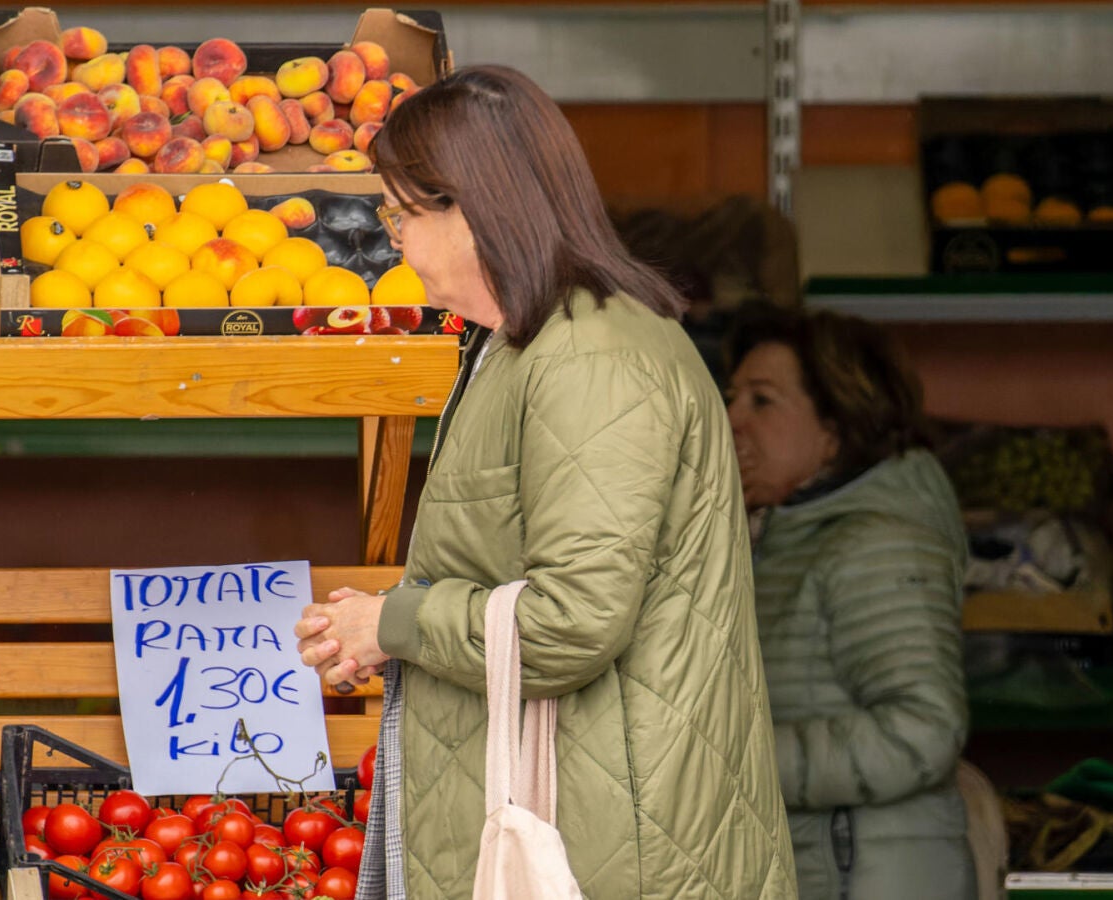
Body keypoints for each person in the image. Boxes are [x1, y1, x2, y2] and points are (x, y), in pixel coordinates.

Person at [294, 65, 797, 900]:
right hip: (593, 825)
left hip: (615, 848)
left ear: (473, 207)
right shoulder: (527, 344)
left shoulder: (590, 359)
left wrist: (399, 623)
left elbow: (572, 621)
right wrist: (380, 627)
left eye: (402, 214)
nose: (394, 242)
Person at [724, 302, 973, 900]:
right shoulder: (790, 537)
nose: (731, 418)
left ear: (836, 430)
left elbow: (924, 729)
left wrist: (739, 759)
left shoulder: (877, 544)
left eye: (762, 401)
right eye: (732, 398)